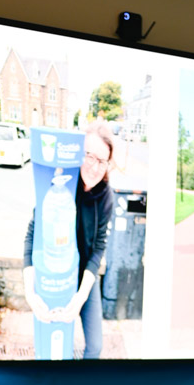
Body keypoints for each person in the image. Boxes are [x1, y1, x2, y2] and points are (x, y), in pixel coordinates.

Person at [23, 123, 115, 358]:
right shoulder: (61, 186)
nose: (95, 167)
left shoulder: (106, 198)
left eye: (102, 161)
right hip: (59, 274)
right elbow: (33, 234)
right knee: (53, 340)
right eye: (89, 156)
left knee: (95, 346)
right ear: (78, 153)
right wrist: (29, 292)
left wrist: (80, 297)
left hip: (85, 275)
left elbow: (98, 249)